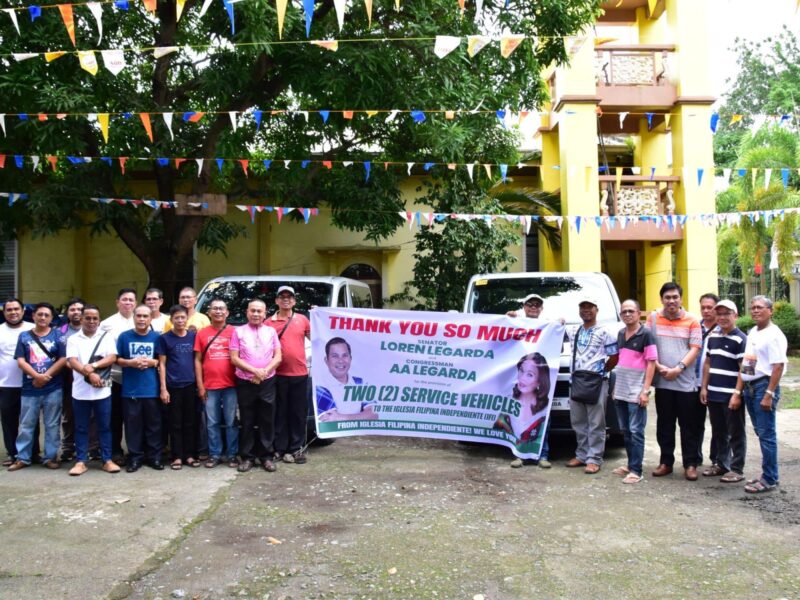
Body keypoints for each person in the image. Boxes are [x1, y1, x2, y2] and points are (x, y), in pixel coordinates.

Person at [647, 282, 703, 481]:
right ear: (661, 299)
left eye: (675, 297)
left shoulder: (693, 321)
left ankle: (690, 464)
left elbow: (695, 348)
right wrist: (660, 367)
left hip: (686, 383)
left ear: (681, 299)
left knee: (689, 426)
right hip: (663, 382)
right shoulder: (653, 318)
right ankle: (666, 462)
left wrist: (678, 368)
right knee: (665, 424)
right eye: (667, 297)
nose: (671, 301)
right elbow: (649, 345)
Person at [737, 295, 787, 494]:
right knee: (760, 431)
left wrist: (769, 394)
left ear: (770, 310)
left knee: (767, 435)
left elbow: (778, 366)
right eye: (753, 307)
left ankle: (770, 478)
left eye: (760, 307)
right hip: (751, 387)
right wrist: (741, 386)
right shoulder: (754, 332)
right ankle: (768, 473)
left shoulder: (774, 334)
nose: (755, 311)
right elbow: (749, 361)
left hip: (764, 386)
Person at [8, 303, 67, 471]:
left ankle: (50, 457)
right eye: (39, 314)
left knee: (52, 424)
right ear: (33, 316)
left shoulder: (58, 336)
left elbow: (63, 359)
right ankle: (23, 458)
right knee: (26, 424)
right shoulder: (24, 336)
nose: (42, 318)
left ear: (51, 318)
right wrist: (36, 376)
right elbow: (20, 360)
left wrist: (45, 377)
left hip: (53, 388)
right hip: (29, 388)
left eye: (46, 315)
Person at [565, 296, 618, 474]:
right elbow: (550, 332)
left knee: (596, 423)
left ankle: (594, 458)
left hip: (596, 382)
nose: (586, 310)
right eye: (583, 307)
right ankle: (581, 455)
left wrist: (602, 371)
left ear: (597, 309)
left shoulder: (605, 331)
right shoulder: (573, 330)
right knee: (578, 421)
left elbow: (614, 356)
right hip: (576, 381)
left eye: (590, 307)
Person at [66, 304, 120, 476]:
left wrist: (93, 366)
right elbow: (72, 361)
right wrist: (89, 375)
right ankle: (81, 461)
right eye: (87, 318)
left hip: (103, 390)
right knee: (81, 427)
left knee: (104, 426)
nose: (91, 321)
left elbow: (112, 357)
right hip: (80, 391)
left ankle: (107, 460)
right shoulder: (73, 339)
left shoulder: (106, 337)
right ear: (81, 319)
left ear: (99, 320)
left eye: (95, 318)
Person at [231, 299, 282, 473]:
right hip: (245, 381)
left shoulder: (271, 331)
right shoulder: (238, 332)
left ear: (265, 313)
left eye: (259, 311)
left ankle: (266, 456)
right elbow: (234, 358)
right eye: (252, 311)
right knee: (247, 420)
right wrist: (255, 371)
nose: (256, 314)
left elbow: (278, 357)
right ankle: (247, 457)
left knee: (267, 419)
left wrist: (264, 372)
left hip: (267, 381)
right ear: (247, 312)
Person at [699, 299, 747, 483]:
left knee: (736, 432)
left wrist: (737, 393)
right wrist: (704, 387)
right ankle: (721, 464)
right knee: (719, 431)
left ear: (735, 315)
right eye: (719, 313)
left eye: (727, 313)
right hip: (713, 393)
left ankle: (737, 468)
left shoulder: (741, 339)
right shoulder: (713, 338)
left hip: (731, 395)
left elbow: (744, 369)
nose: (722, 317)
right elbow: (708, 363)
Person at [611, 299, 657, 485]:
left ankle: (637, 471)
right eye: (624, 312)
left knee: (636, 431)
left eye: (631, 311)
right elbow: (620, 361)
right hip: (621, 390)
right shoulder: (621, 333)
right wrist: (615, 388)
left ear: (639, 313)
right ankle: (630, 465)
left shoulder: (646, 334)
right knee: (625, 431)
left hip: (637, 390)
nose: (627, 314)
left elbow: (651, 362)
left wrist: (645, 391)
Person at [506, 293, 554, 469]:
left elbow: (559, 344)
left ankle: (543, 455)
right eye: (530, 304)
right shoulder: (515, 323)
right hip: (521, 388)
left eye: (537, 305)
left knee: (544, 422)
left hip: (538, 390)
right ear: (524, 307)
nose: (533, 307)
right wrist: (508, 318)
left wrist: (560, 325)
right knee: (517, 421)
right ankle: (519, 455)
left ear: (541, 309)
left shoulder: (550, 326)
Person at [265, 286, 311, 465]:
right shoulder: (269, 322)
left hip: (299, 373)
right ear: (276, 300)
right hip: (277, 374)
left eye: (289, 297)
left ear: (294, 301)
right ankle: (280, 448)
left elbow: (316, 338)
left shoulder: (302, 319)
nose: (286, 299)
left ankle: (296, 448)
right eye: (282, 297)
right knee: (280, 413)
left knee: (298, 413)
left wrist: (319, 318)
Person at [117, 304, 163, 472]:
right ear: (134, 317)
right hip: (131, 390)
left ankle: (155, 457)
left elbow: (162, 360)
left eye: (145, 316)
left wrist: (153, 362)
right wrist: (131, 362)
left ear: (150, 318)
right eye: (139, 316)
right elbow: (117, 359)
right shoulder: (124, 337)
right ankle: (135, 458)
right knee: (133, 426)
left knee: (154, 426)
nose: (142, 319)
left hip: (152, 389)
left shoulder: (157, 338)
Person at [194, 298, 239, 468]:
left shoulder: (235, 332)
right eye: (215, 309)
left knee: (231, 421)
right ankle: (215, 454)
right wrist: (200, 385)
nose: (218, 311)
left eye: (221, 309)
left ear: (227, 312)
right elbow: (197, 360)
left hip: (231, 385)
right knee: (212, 422)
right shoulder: (202, 333)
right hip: (210, 386)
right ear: (209, 312)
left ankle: (232, 454)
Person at [157, 305, 200, 470]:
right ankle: (176, 456)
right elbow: (162, 364)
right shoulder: (165, 338)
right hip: (172, 386)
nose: (180, 321)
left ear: (187, 318)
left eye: (183, 317)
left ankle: (189, 455)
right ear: (171, 320)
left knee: (190, 421)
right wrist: (163, 388)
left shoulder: (193, 336)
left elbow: (197, 360)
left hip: (190, 385)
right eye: (177, 318)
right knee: (175, 422)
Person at [100, 287, 137, 465]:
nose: (128, 302)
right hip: (114, 377)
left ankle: (136, 451)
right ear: (117, 302)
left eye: (131, 300)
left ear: (135, 303)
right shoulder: (107, 324)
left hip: (137, 378)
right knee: (114, 416)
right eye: (124, 299)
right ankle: (115, 451)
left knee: (135, 417)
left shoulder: (142, 320)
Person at [0, 298, 36, 466]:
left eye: (16, 309)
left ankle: (33, 453)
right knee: (9, 420)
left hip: (31, 383)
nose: (13, 312)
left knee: (31, 420)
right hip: (6, 385)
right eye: (9, 310)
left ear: (23, 311)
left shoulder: (33, 329)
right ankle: (13, 454)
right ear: (4, 312)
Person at [495, 352, 551, 454]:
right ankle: (519, 456)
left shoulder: (544, 409)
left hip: (537, 453)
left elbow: (542, 436)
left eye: (530, 374)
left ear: (539, 381)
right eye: (521, 371)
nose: (522, 378)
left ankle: (543, 456)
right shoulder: (508, 402)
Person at [58, 297, 90, 463]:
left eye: (79, 309)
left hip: (92, 377)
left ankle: (93, 447)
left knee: (91, 415)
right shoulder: (60, 332)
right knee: (68, 415)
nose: (76, 312)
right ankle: (68, 447)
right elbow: (61, 357)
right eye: (72, 309)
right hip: (67, 379)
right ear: (67, 313)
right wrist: (78, 368)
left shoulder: (94, 329)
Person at [316, 337, 376, 421]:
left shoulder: (360, 382)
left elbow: (374, 414)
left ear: (350, 359)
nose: (340, 361)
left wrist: (341, 417)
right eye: (335, 356)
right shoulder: (320, 387)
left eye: (345, 355)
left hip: (361, 433)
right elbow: (330, 421)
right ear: (326, 360)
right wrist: (362, 416)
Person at [696, 292, 720, 474]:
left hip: (715, 384)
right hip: (694, 382)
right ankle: (695, 458)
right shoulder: (695, 327)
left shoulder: (722, 329)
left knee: (718, 424)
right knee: (694, 423)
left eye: (709, 307)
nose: (706, 311)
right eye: (703, 307)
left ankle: (717, 460)